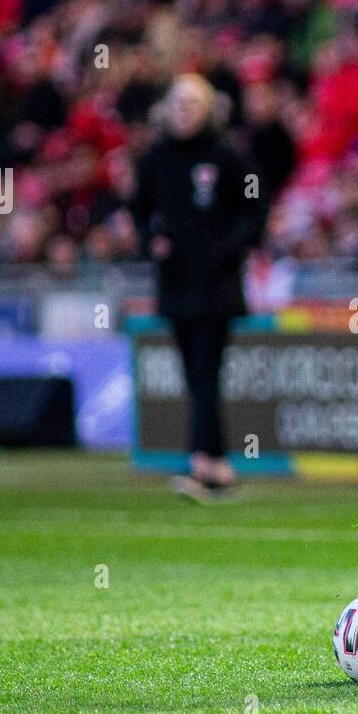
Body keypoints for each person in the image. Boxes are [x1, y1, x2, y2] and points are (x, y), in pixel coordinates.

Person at [131, 74, 268, 500]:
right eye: (178, 104)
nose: (184, 112)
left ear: (207, 109)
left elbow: (255, 211)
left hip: (217, 288)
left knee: (206, 373)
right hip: (175, 285)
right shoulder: (156, 157)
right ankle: (219, 464)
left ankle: (200, 462)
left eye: (192, 104)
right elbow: (138, 208)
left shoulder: (226, 155)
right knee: (195, 377)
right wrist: (150, 240)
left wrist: (225, 251)